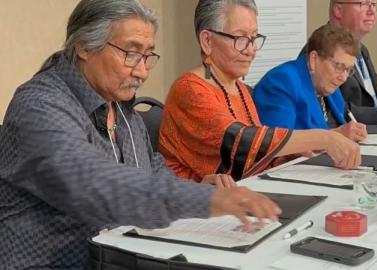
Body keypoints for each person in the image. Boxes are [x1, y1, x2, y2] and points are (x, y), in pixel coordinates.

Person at [0, 1, 281, 269]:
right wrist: (206, 201)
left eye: (148, 56)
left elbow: (151, 170)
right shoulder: (39, 105)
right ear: (84, 46)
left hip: (120, 256)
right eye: (131, 53)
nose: (143, 71)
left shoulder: (120, 105)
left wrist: (202, 188)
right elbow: (95, 183)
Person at [158, 0, 361, 183]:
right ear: (207, 41)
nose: (251, 49)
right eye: (240, 38)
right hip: (196, 209)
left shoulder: (239, 88)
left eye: (254, 38)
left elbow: (257, 155)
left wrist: (296, 155)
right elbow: (241, 141)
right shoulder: (189, 89)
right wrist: (324, 138)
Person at [253, 24, 367, 143]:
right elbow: (279, 143)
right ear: (314, 59)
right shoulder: (281, 82)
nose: (343, 78)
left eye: (348, 70)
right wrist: (336, 136)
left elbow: (342, 119)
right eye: (339, 66)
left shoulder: (327, 85)